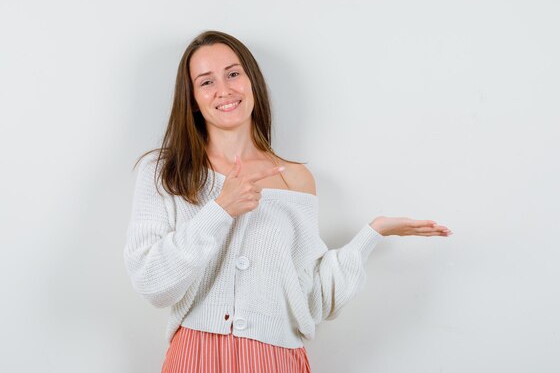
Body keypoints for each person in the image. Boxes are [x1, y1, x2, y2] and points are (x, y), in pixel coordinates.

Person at [123, 30, 453, 373]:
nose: (224, 89)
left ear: (252, 82)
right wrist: (220, 210)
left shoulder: (295, 179)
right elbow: (151, 283)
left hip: (275, 358)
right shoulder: (167, 171)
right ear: (192, 98)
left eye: (233, 73)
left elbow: (311, 299)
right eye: (206, 82)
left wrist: (372, 234)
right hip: (197, 355)